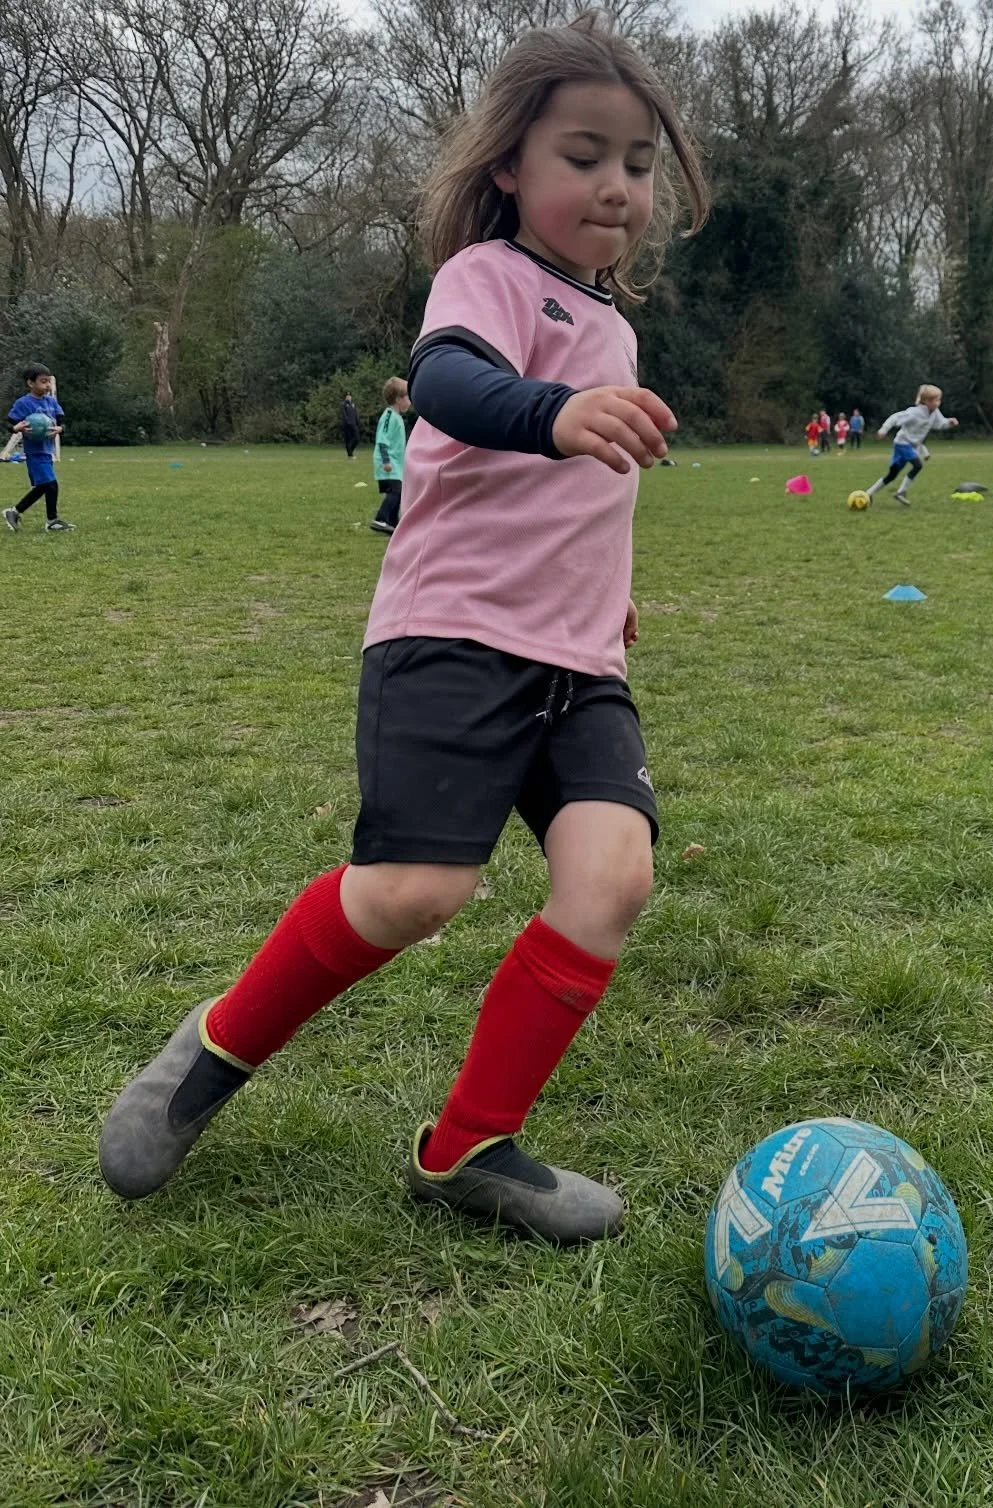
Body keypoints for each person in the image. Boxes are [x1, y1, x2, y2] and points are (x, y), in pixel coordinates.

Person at [98, 10, 710, 1247]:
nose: (615, 185)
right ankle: (210, 1050)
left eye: (638, 164)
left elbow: (588, 491)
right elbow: (451, 385)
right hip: (453, 639)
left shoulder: (619, 327)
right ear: (509, 169)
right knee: (418, 890)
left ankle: (467, 1148)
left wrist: (611, 585)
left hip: (577, 662)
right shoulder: (484, 280)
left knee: (613, 877)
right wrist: (558, 413)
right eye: (583, 154)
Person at [4, 364, 72, 532]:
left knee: (46, 485)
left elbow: (62, 422)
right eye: (43, 381)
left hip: (47, 450)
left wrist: (60, 429)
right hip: (34, 452)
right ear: (30, 383)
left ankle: (16, 512)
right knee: (49, 483)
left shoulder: (51, 402)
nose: (48, 385)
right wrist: (16, 428)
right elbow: (8, 423)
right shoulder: (23, 403)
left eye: (48, 381)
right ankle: (51, 521)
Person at [864, 384, 958, 506]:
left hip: (911, 446)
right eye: (936, 400)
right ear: (926, 401)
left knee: (892, 474)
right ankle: (901, 492)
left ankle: (869, 493)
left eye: (939, 400)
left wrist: (949, 422)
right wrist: (883, 430)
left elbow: (940, 424)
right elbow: (894, 417)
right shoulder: (914, 412)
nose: (939, 403)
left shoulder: (934, 412)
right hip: (902, 444)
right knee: (918, 465)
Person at [371, 377, 410, 534]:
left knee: (399, 494)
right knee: (395, 493)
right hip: (388, 464)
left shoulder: (397, 417)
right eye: (407, 397)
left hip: (397, 466)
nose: (409, 401)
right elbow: (382, 440)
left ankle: (393, 525)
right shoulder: (388, 416)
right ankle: (381, 518)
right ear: (398, 399)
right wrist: (386, 461)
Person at [341, 391, 361, 458]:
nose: (348, 397)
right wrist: (347, 421)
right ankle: (350, 454)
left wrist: (358, 422)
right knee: (348, 439)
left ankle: (350, 449)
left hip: (354, 424)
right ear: (345, 397)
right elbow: (344, 415)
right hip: (347, 425)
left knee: (357, 438)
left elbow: (355, 414)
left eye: (349, 396)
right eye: (347, 396)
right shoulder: (343, 404)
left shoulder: (353, 404)